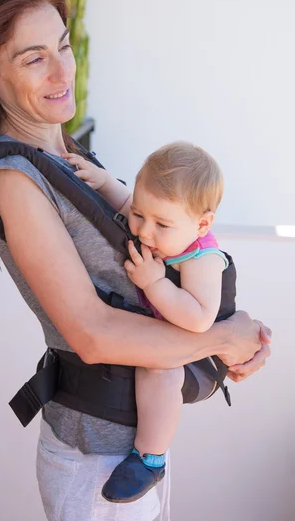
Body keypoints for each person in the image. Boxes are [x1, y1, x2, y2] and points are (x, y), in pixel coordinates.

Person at [0, 0, 271, 521]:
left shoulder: (67, 157)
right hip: (96, 456)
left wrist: (228, 341)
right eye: (33, 59)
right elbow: (92, 334)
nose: (62, 71)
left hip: (130, 445)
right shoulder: (17, 178)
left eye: (62, 46)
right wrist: (223, 337)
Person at [62, 140, 236, 503]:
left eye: (161, 224)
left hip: (195, 354)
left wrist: (155, 283)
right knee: (152, 361)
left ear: (202, 223)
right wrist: (104, 181)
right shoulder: (155, 223)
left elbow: (200, 318)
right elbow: (126, 202)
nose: (143, 231)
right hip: (167, 335)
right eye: (141, 216)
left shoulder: (202, 257)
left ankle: (150, 458)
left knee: (159, 371)